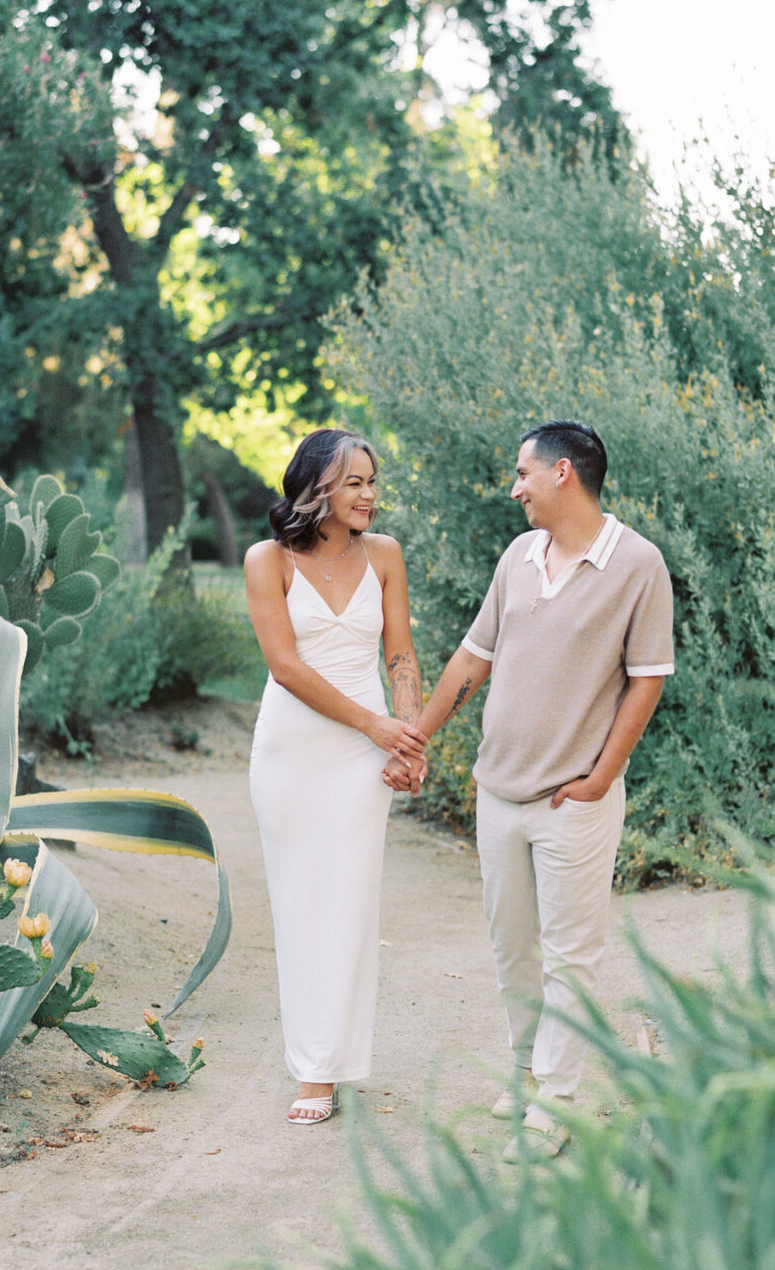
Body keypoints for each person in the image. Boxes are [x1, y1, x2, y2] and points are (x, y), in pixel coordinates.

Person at [387, 420, 673, 1157]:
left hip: (571, 801)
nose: (514, 488)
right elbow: (470, 661)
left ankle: (556, 1105)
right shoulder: (518, 556)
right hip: (498, 793)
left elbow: (646, 683)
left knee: (569, 957)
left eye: (522, 473)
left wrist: (602, 777)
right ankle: (524, 1072)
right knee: (512, 949)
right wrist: (414, 736)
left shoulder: (639, 564)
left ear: (563, 474)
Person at [245, 429, 426, 1125]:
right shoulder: (269, 560)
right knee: (299, 906)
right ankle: (313, 1066)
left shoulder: (384, 556)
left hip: (361, 757)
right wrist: (374, 723)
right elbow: (285, 667)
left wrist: (407, 737)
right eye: (355, 482)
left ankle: (328, 1068)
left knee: (349, 905)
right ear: (317, 485)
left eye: (373, 482)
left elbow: (401, 656)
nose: (371, 495)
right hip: (291, 753)